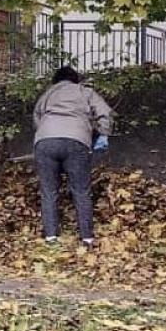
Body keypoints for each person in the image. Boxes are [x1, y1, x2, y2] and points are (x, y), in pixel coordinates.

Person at [33, 65, 114, 247]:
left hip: (45, 142)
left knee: (48, 191)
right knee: (81, 190)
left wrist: (46, 135)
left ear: (56, 80)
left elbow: (37, 118)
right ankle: (87, 238)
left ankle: (51, 238)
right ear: (75, 79)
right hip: (76, 141)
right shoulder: (85, 91)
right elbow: (104, 113)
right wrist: (102, 133)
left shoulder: (47, 95)